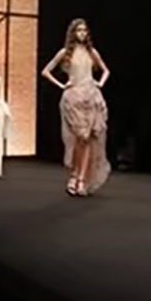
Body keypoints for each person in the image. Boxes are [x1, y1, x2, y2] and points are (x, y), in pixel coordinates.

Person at [41, 19, 112, 196]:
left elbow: (106, 70)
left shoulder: (92, 52)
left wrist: (100, 83)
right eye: (79, 30)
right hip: (74, 98)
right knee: (79, 138)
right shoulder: (65, 53)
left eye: (84, 30)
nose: (82, 33)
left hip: (91, 96)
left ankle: (80, 179)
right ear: (73, 33)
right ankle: (74, 175)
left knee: (87, 139)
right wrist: (62, 85)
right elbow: (46, 71)